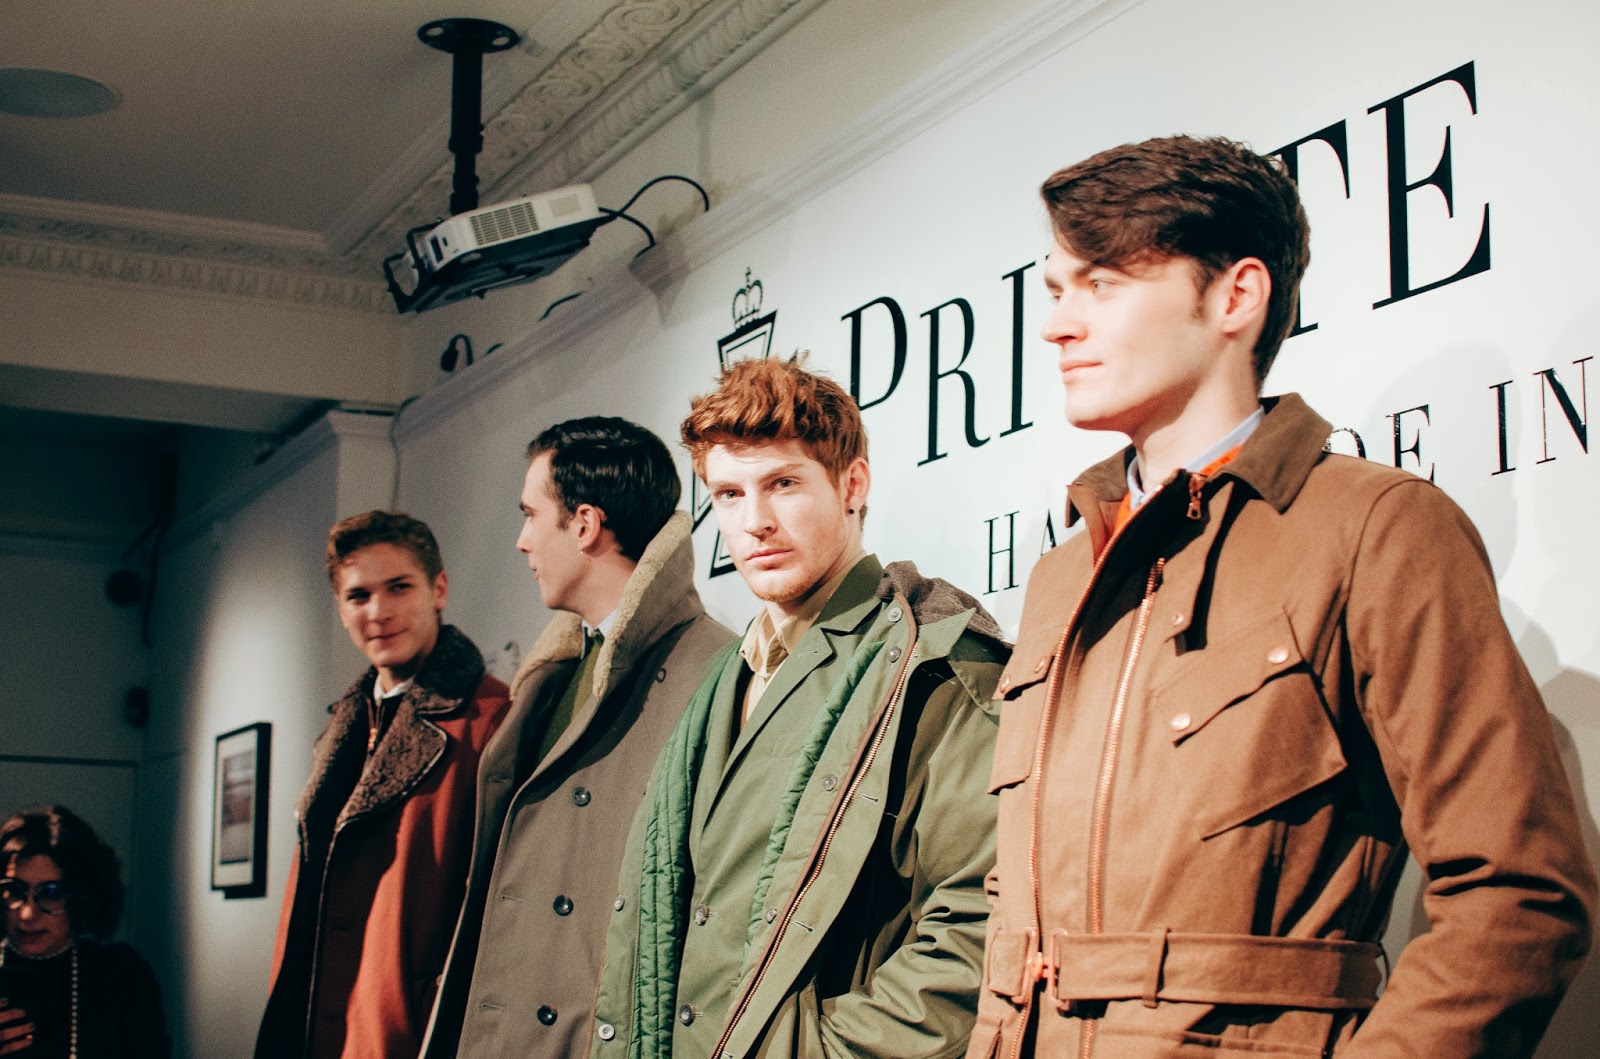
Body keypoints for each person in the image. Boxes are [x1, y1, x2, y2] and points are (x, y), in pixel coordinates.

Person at [969, 134, 1597, 1058]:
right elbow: (1012, 899)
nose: (1057, 325)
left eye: (1101, 284)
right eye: (1057, 291)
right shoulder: (1063, 575)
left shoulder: (1375, 527)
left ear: (1236, 295)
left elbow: (1519, 893)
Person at [590, 356, 1009, 1059]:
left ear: (852, 485)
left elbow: (980, 924)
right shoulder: (725, 678)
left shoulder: (934, 661)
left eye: (783, 484)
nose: (754, 522)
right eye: (729, 494)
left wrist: (812, 1050)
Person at [418, 417, 734, 1058]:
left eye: (531, 515)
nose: (521, 542)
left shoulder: (715, 672)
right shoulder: (554, 674)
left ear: (585, 524)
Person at [255, 512, 510, 1059]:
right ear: (340, 607)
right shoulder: (341, 730)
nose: (378, 612)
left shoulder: (490, 720)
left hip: (410, 1032)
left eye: (399, 587)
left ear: (438, 589)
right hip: (323, 1028)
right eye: (358, 595)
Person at [0, 806, 170, 1058]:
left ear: (81, 897)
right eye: (15, 890)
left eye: (51, 893)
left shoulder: (120, 976)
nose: (27, 913)